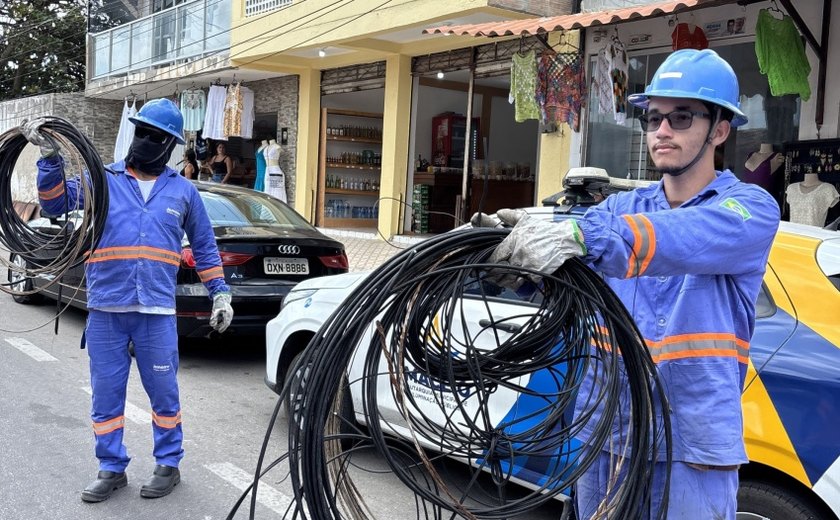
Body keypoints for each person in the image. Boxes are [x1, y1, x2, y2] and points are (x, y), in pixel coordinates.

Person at [477, 49, 780, 519]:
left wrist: (579, 232)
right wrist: (514, 264)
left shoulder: (749, 209)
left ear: (719, 130)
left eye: (681, 117)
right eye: (653, 118)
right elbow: (570, 277)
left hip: (691, 446)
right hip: (609, 436)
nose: (661, 130)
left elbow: (684, 237)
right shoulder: (618, 211)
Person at [21, 98, 235, 503]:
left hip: (155, 312)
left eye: (157, 137)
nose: (146, 141)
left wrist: (220, 293)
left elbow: (205, 248)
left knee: (164, 394)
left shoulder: (183, 191)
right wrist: (49, 157)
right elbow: (53, 202)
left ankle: (168, 464)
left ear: (170, 145)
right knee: (106, 394)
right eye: (143, 132)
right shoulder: (103, 179)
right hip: (106, 309)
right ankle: (111, 467)